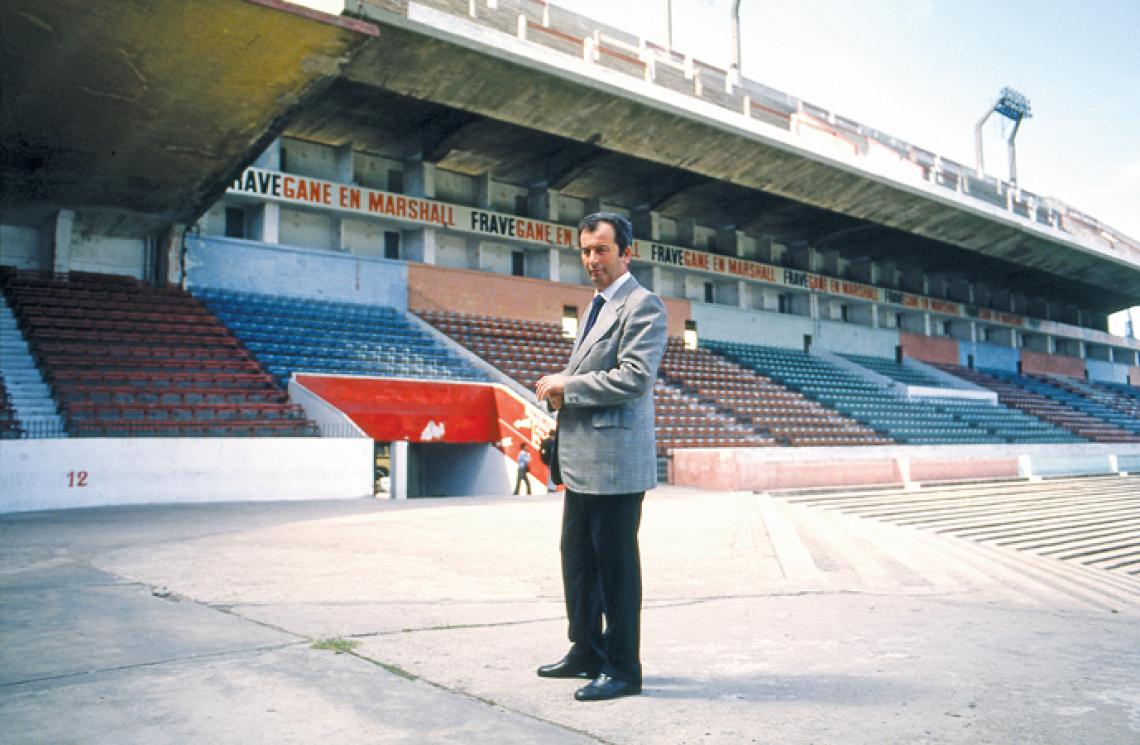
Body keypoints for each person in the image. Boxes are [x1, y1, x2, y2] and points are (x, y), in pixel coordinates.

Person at [535, 211, 667, 702]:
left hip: (615, 463)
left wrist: (567, 386)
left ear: (626, 253)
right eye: (586, 250)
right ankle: (586, 651)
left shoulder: (642, 305)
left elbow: (635, 378)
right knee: (578, 564)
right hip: (583, 461)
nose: (592, 259)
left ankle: (623, 668)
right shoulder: (596, 305)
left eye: (602, 250)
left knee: (615, 570)